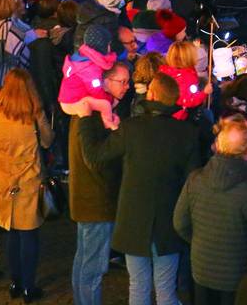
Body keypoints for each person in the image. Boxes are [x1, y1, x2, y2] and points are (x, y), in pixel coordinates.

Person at [81, 72, 201, 305]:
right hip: (169, 222)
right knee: (166, 290)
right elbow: (192, 182)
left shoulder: (132, 128)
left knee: (138, 285)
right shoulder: (187, 134)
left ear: (152, 94)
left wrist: (86, 121)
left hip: (134, 220)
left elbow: (95, 157)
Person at [174, 118, 247, 305]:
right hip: (238, 276)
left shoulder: (195, 180)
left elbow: (180, 224)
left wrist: (200, 242)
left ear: (218, 145)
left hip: (202, 269)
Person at [0, 69, 54, 303]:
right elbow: (47, 141)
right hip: (28, 180)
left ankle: (14, 282)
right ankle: (28, 286)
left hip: (3, 180)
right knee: (29, 234)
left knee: (11, 232)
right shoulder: (34, 116)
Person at [69, 62, 131, 305]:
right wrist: (117, 134)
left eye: (127, 81)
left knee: (84, 260)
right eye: (121, 81)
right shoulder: (93, 116)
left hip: (88, 198)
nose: (126, 87)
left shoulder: (89, 111)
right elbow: (95, 159)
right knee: (93, 267)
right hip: (96, 201)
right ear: (105, 81)